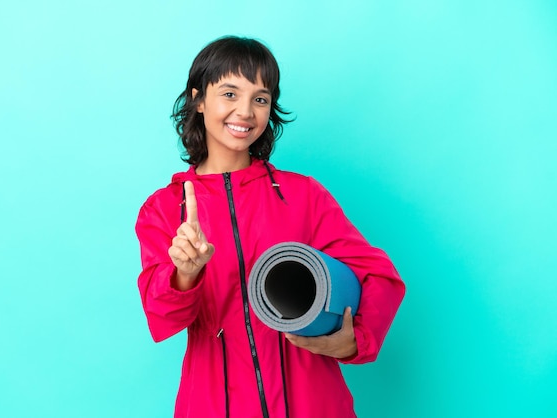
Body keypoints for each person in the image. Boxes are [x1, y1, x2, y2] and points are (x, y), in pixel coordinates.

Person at [135, 35, 405, 418]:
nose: (245, 111)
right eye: (229, 93)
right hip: (214, 404)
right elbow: (162, 317)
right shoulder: (163, 210)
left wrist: (350, 342)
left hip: (312, 402)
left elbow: (379, 276)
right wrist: (185, 274)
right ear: (199, 98)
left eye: (260, 99)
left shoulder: (303, 195)